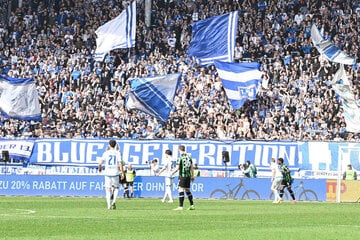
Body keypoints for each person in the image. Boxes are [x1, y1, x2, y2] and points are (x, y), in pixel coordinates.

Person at [98, 139, 124, 210]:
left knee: (108, 189)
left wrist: (99, 168)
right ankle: (114, 201)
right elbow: (120, 163)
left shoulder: (106, 153)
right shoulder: (117, 153)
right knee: (116, 188)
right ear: (115, 145)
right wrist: (122, 173)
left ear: (109, 145)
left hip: (107, 172)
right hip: (115, 172)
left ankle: (108, 205)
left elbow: (100, 162)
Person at [170, 145, 195, 210]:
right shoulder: (189, 157)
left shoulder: (180, 158)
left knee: (180, 189)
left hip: (183, 176)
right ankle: (192, 205)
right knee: (187, 190)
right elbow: (192, 167)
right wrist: (192, 175)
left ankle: (180, 206)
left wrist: (172, 173)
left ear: (179, 150)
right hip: (188, 176)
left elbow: (177, 168)